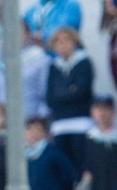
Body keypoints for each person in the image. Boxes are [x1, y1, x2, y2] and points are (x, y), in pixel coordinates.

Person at [43, 26, 94, 167]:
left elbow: (82, 91)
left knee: (81, 165)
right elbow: (50, 98)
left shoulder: (84, 62)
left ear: (75, 42)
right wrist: (70, 90)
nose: (62, 44)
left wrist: (62, 93)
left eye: (66, 40)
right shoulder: (54, 67)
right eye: (58, 41)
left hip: (81, 122)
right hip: (60, 125)